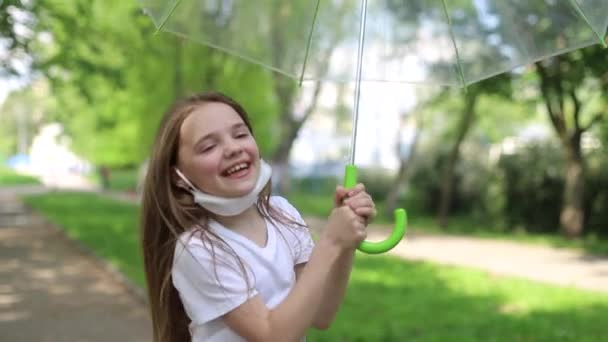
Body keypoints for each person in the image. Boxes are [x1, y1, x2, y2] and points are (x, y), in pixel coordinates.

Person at [139, 91, 377, 342]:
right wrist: (331, 242)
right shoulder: (198, 249)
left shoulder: (282, 214)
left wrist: (346, 243)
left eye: (240, 134)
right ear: (179, 178)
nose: (232, 148)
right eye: (209, 146)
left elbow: (321, 315)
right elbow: (272, 336)